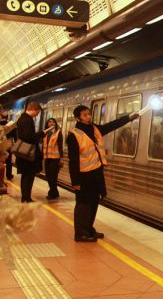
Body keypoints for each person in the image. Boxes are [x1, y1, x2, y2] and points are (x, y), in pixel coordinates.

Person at [67, 105, 139, 242]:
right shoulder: (74, 135)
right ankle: (80, 233)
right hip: (84, 176)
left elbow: (111, 126)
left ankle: (88, 229)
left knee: (94, 202)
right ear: (78, 118)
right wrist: (75, 182)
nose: (88, 117)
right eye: (85, 115)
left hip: (96, 173)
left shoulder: (94, 129)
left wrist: (128, 118)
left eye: (89, 114)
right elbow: (73, 161)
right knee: (84, 204)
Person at [16, 102, 53, 203]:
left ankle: (25, 197)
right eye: (37, 112)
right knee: (28, 176)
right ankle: (26, 197)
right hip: (28, 154)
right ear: (33, 109)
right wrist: (42, 133)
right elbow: (28, 137)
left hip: (25, 153)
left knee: (26, 176)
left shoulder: (22, 118)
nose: (37, 115)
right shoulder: (27, 120)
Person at [43, 118, 63, 200]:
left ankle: (52, 193)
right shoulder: (45, 133)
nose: (51, 123)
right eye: (49, 122)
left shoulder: (58, 133)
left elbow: (60, 146)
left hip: (55, 158)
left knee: (53, 177)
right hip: (47, 158)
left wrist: (61, 158)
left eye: (53, 122)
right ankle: (55, 192)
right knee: (48, 176)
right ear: (47, 124)